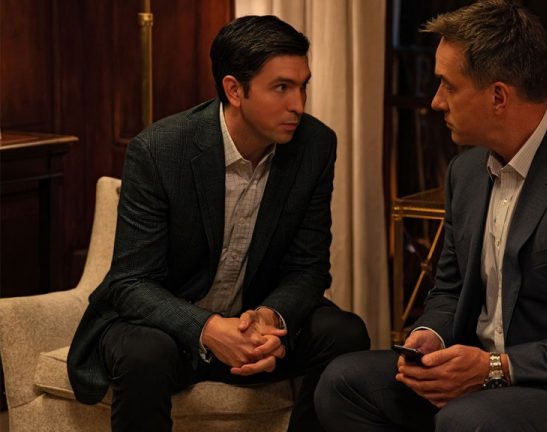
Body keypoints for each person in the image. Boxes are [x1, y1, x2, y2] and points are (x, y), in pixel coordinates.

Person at [314, 1, 547, 431]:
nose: (436, 101)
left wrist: (496, 367)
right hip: (487, 378)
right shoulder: (465, 172)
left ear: (498, 96)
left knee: (467, 420)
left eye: (448, 86)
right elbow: (450, 289)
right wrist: (430, 336)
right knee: (343, 381)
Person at [67, 15, 370, 432]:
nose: (298, 105)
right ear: (234, 90)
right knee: (143, 355)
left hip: (253, 325)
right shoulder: (159, 150)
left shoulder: (315, 145)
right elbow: (131, 283)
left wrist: (268, 319)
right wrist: (208, 328)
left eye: (303, 86)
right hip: (169, 328)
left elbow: (309, 267)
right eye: (281, 88)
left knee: (345, 333)